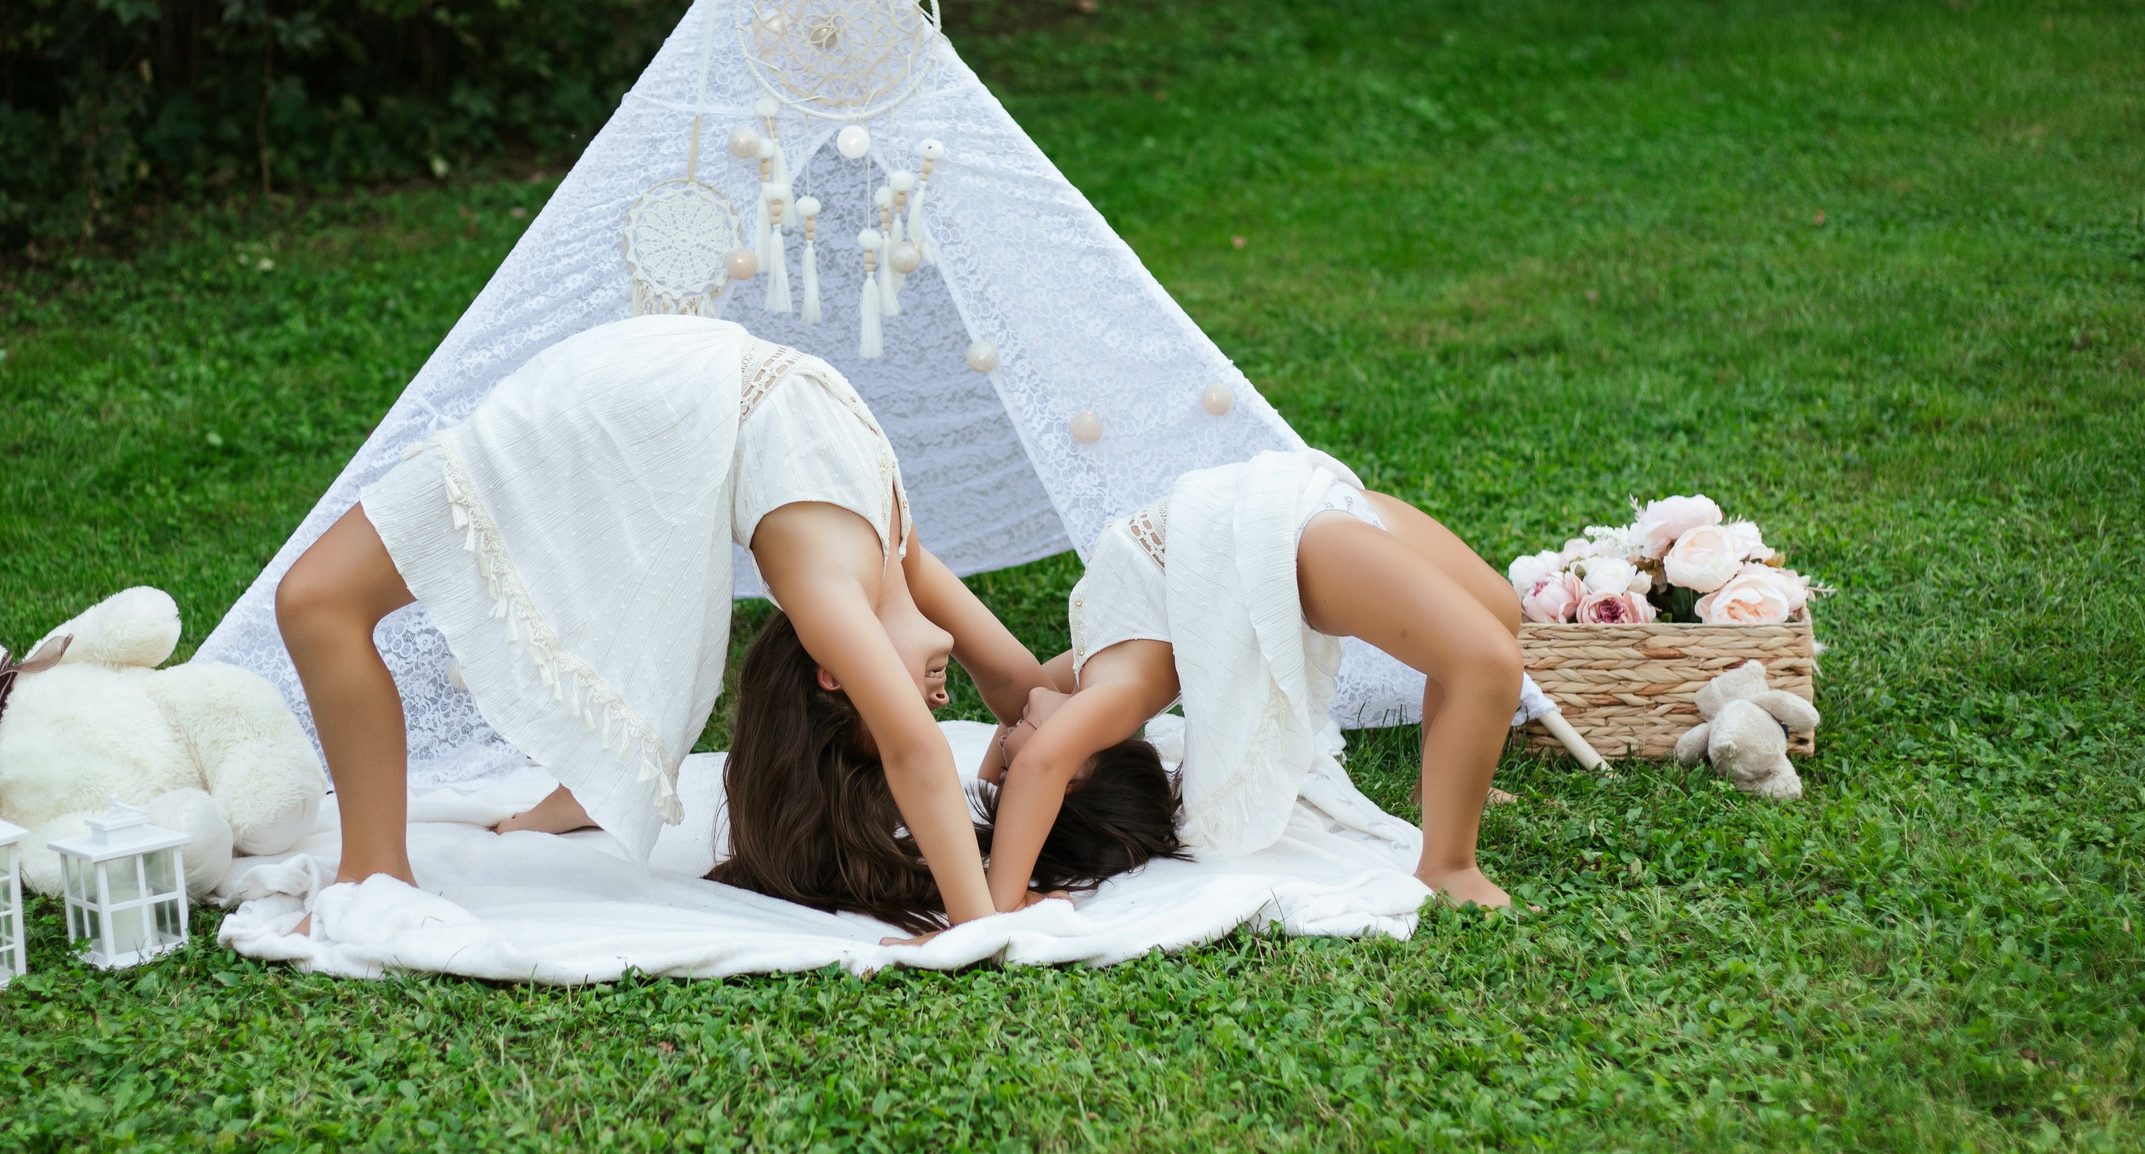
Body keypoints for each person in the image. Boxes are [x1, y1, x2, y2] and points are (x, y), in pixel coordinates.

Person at [271, 315, 1060, 935]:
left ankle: (376, 870)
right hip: (641, 398)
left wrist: (980, 905)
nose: (936, 700)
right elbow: (1017, 687)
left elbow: (915, 747)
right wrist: (990, 897)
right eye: (922, 699)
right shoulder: (891, 553)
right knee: (318, 602)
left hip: (640, 410)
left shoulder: (840, 584)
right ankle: (395, 863)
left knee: (315, 601)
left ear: (835, 673)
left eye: (897, 694)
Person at [976, 451, 1524, 911]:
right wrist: (1004, 901)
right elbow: (1038, 764)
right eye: (1013, 750)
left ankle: (1438, 784)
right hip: (1297, 549)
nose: (1005, 739)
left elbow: (1018, 714)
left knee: (1500, 610)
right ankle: (1448, 867)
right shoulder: (1114, 698)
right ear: (1071, 773)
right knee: (1487, 663)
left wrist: (988, 778)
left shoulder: (1079, 672)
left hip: (1297, 499)